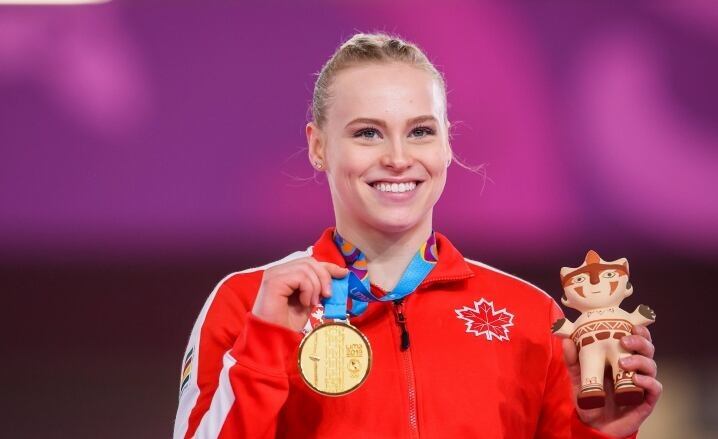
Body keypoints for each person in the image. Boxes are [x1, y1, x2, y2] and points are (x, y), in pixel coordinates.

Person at [173, 32, 661, 439]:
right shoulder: (250, 302)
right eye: (367, 133)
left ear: (448, 143)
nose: (398, 157)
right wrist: (266, 343)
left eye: (421, 131)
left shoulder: (529, 317)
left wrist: (600, 434)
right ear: (318, 146)